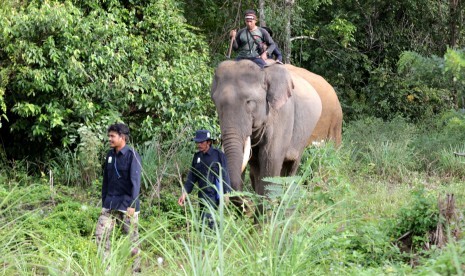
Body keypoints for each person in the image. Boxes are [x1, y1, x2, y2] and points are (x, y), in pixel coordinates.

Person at [95, 123, 142, 272]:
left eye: (112, 136)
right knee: (100, 236)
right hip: (110, 204)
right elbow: (106, 181)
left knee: (132, 242)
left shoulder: (131, 155)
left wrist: (132, 205)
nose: (109, 139)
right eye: (109, 136)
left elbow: (136, 182)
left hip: (128, 206)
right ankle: (107, 270)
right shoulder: (110, 155)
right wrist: (104, 201)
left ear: (122, 137)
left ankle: (136, 272)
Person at [178, 129, 231, 229]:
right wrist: (184, 193)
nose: (199, 145)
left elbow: (225, 174)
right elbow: (192, 177)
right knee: (203, 224)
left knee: (213, 224)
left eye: (202, 142)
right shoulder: (197, 157)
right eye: (197, 142)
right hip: (202, 197)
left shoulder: (218, 155)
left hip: (215, 197)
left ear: (209, 142)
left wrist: (227, 193)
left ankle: (216, 242)